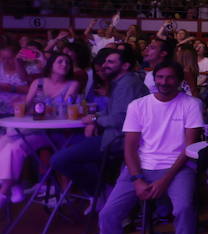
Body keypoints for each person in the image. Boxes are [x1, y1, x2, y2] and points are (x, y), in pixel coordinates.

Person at [81, 62, 203, 234]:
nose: (164, 82)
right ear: (153, 78)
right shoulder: (139, 105)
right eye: (160, 77)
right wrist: (137, 179)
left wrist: (165, 181)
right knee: (108, 215)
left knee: (184, 208)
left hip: (177, 168)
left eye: (169, 78)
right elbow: (130, 148)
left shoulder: (191, 104)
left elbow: (189, 148)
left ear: (179, 80)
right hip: (139, 167)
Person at [51, 47, 146, 201]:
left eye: (111, 62)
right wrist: (94, 117)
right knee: (71, 147)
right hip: (113, 137)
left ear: (125, 66)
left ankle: (101, 192)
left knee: (59, 159)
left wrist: (96, 120)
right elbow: (113, 113)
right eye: (105, 61)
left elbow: (120, 120)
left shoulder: (127, 85)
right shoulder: (121, 82)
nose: (104, 65)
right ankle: (103, 191)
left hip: (119, 141)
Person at [0, 51, 82, 203]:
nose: (64, 65)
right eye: (60, 61)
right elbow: (27, 105)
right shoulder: (38, 83)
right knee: (3, 141)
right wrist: (20, 105)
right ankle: (13, 184)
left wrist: (39, 108)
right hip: (36, 128)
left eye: (67, 62)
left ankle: (5, 190)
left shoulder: (72, 84)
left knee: (14, 145)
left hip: (57, 131)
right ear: (51, 65)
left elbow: (63, 109)